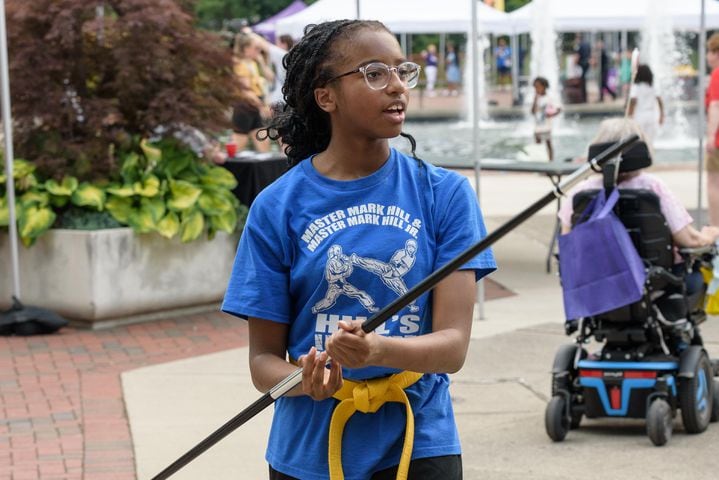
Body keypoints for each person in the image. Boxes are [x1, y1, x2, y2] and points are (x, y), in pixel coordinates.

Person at [221, 19, 496, 480]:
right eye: (373, 73)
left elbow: (452, 348)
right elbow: (262, 363)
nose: (397, 88)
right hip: (308, 452)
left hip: (418, 443)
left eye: (401, 71)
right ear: (325, 95)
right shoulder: (276, 207)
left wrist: (376, 351)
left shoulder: (444, 194)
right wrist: (302, 381)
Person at [559, 118, 719, 257]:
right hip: (653, 283)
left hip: (596, 284)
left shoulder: (581, 192)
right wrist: (711, 234)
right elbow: (690, 240)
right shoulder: (652, 187)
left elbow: (567, 243)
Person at [232, 32, 271, 152]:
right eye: (256, 48)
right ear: (246, 48)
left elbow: (270, 78)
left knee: (263, 137)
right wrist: (262, 106)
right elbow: (246, 91)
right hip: (245, 104)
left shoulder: (253, 63)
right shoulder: (240, 65)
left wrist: (262, 62)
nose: (258, 51)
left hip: (256, 102)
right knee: (240, 139)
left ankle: (266, 167)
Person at [627, 64, 664, 147]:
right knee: (650, 140)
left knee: (639, 139)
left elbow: (633, 102)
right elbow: (660, 101)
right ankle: (650, 156)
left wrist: (629, 115)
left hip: (639, 115)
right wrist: (661, 115)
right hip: (652, 115)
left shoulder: (636, 87)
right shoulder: (653, 86)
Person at [705, 32, 719, 226]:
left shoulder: (717, 74)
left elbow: (715, 105)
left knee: (714, 183)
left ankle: (716, 228)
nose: (708, 56)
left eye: (710, 51)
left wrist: (710, 136)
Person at [531, 76, 561, 161]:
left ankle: (550, 161)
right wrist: (534, 100)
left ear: (544, 87)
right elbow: (532, 112)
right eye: (535, 87)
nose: (536, 90)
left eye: (538, 87)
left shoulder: (549, 98)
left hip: (546, 125)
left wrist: (552, 114)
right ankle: (539, 160)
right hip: (538, 125)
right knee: (537, 143)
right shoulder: (536, 98)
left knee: (548, 143)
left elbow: (559, 109)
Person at [574, 34, 591, 103]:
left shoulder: (579, 45)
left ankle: (583, 97)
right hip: (587, 64)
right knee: (584, 80)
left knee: (581, 81)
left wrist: (575, 63)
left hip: (581, 64)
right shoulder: (587, 44)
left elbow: (577, 55)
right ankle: (584, 97)